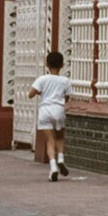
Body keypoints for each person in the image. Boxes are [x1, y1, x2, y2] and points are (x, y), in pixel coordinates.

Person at [28, 51, 72, 182]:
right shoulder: (65, 81)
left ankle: (53, 167)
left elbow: (30, 94)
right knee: (60, 137)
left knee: (49, 141)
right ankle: (61, 159)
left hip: (45, 110)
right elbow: (67, 97)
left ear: (46, 64)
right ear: (62, 65)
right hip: (58, 109)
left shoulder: (42, 79)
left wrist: (40, 92)